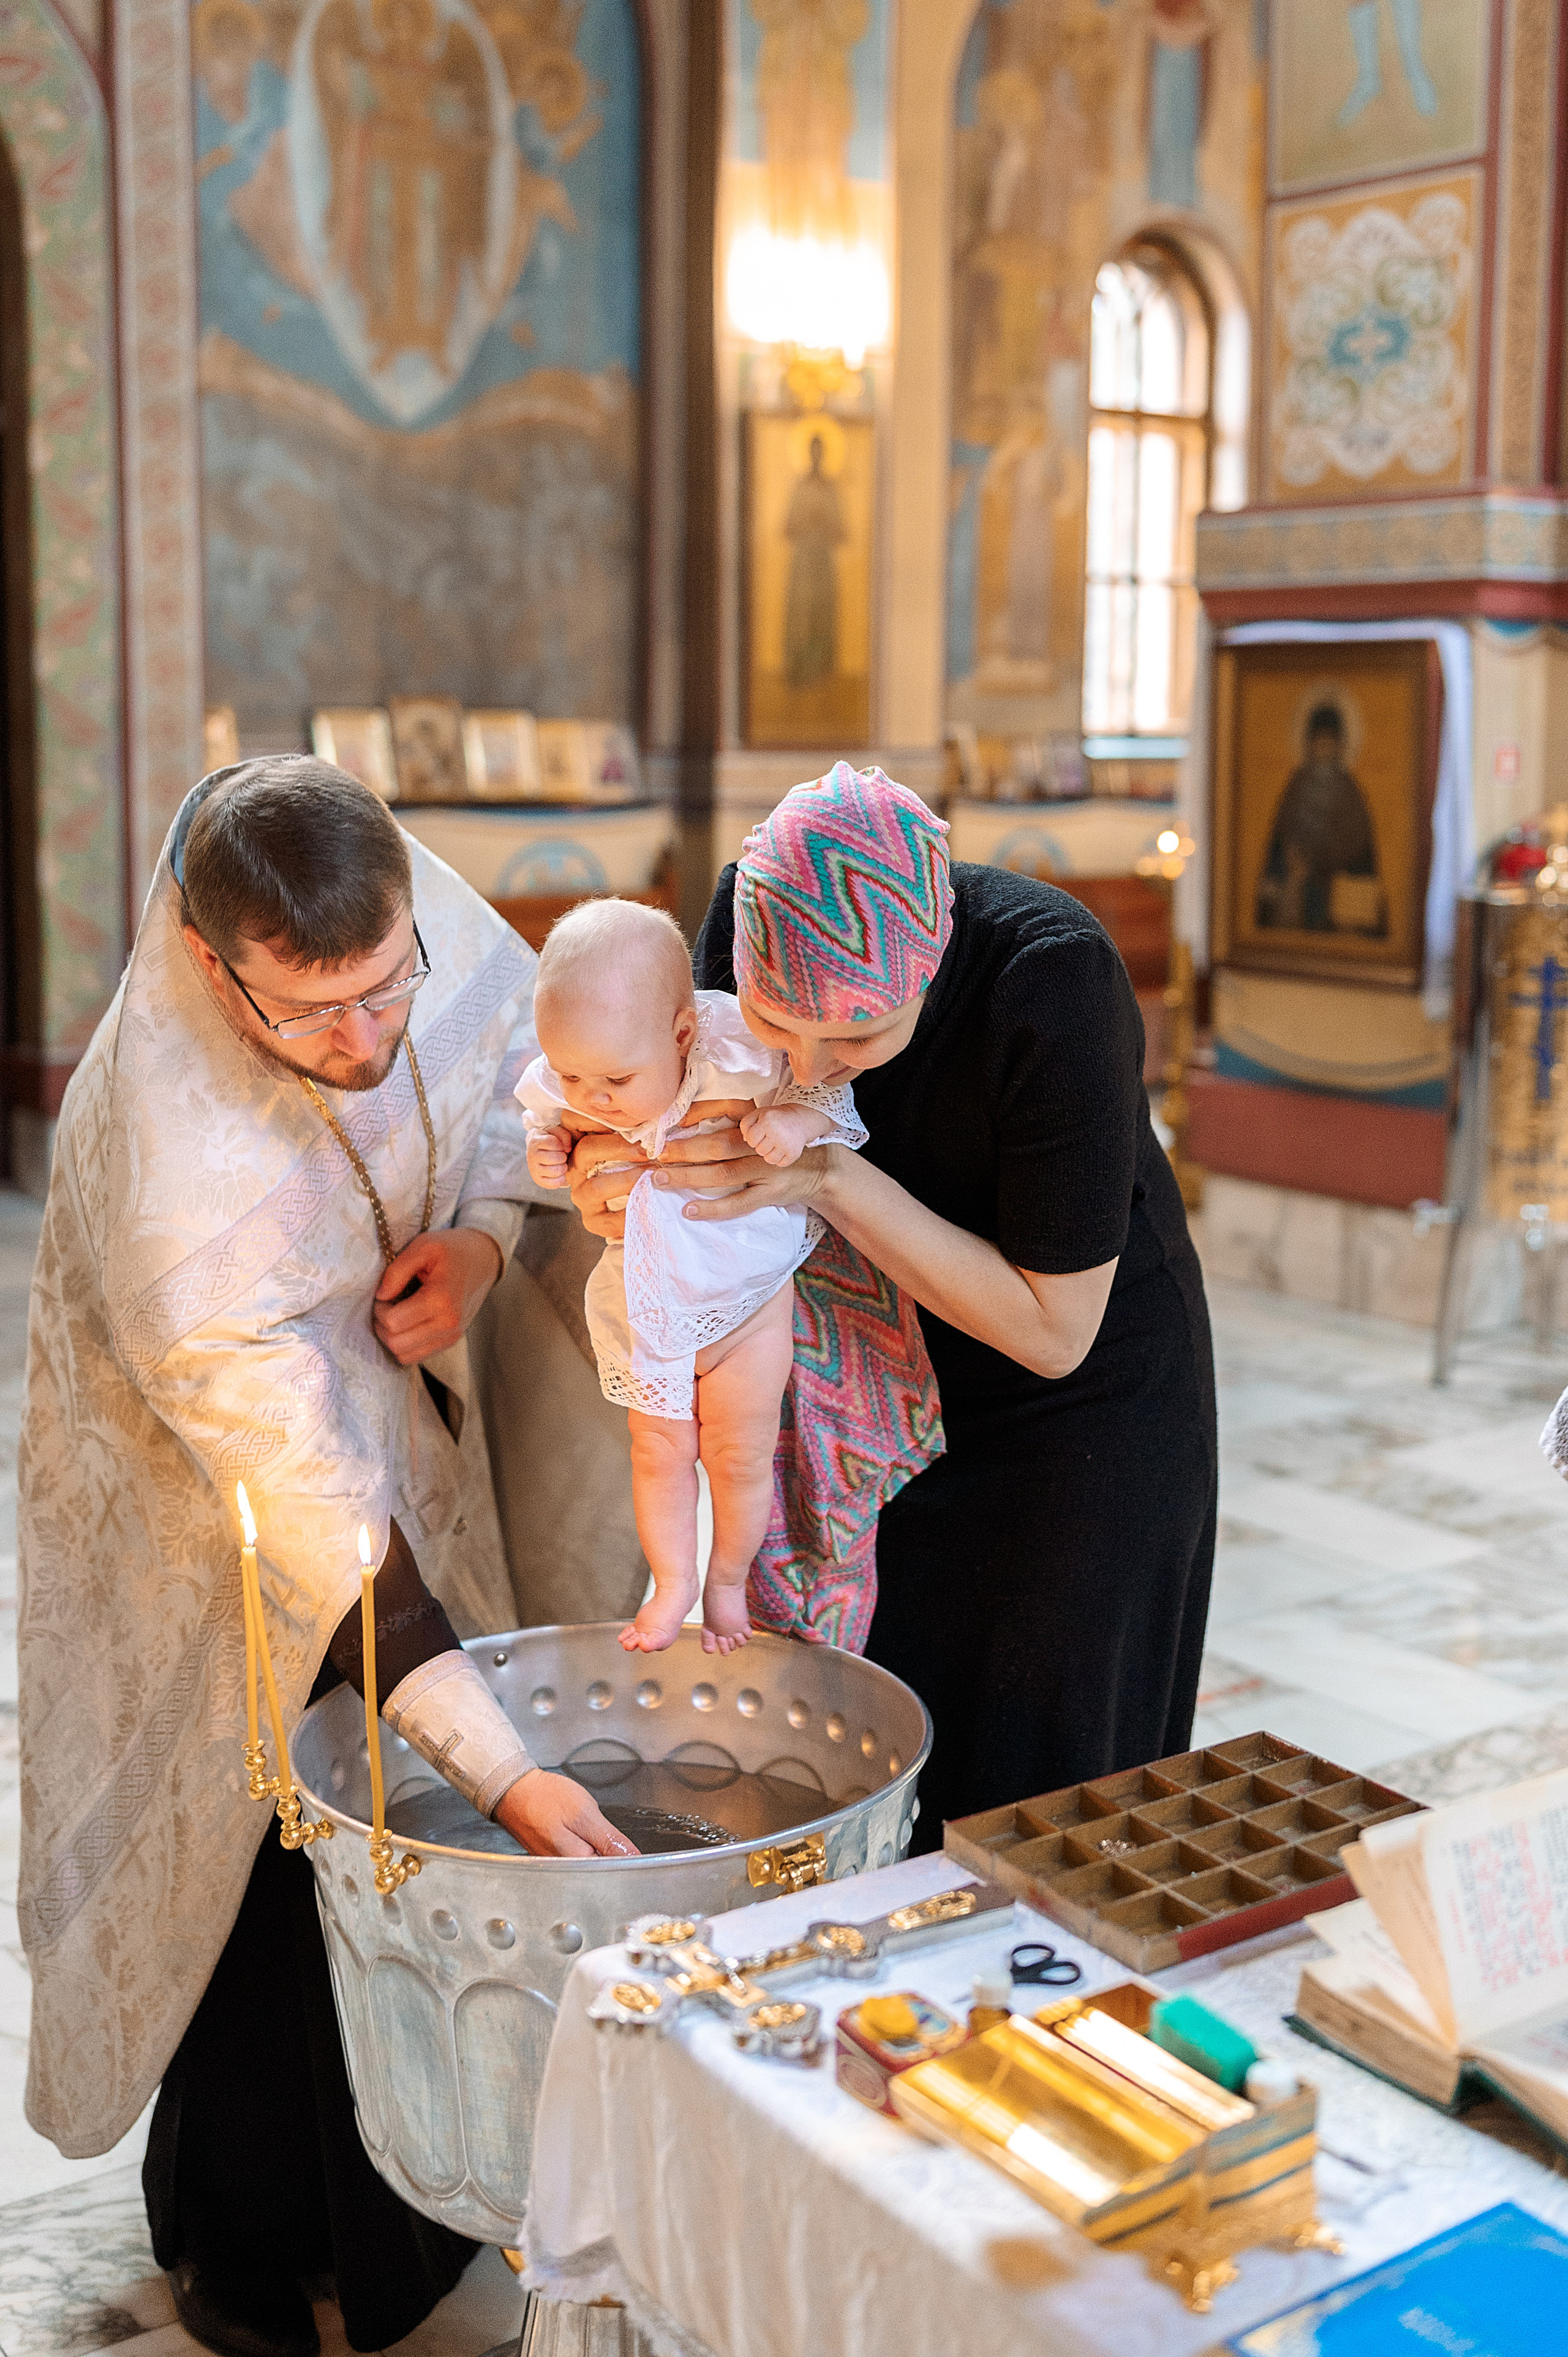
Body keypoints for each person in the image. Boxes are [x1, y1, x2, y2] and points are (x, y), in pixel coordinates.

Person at [17, 756, 630, 2357]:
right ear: (215, 966)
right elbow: (310, 1523)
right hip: (204, 1516)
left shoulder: (405, 912)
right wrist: (509, 1772)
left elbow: (513, 1085)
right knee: (256, 1865)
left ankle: (407, 2233)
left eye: (386, 992)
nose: (367, 1041)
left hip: (396, 1423)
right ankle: (249, 2248)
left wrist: (486, 1243)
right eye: (316, 1016)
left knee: (388, 1852)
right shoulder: (169, 1166)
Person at [564, 761, 1217, 1841]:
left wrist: (828, 1173)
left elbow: (1056, 1331)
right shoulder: (746, 910)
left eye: (859, 1040)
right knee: (868, 1785)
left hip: (1070, 1426)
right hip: (863, 1402)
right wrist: (625, 1186)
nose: (811, 1066)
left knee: (1033, 1817)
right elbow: (676, 1119)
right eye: (778, 1025)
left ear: (933, 962)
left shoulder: (1050, 979)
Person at [518, 898, 864, 1653]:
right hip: (648, 1307)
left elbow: (824, 1091)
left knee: (739, 1453)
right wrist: (547, 1148)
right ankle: (673, 1581)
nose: (592, 1096)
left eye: (613, 1076)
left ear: (680, 1033)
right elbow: (546, 1122)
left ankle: (727, 1582)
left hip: (747, 1300)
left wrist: (795, 1125)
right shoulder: (576, 1073)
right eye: (571, 1074)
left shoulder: (735, 1050)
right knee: (658, 1452)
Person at [1255, 701, 1384, 935]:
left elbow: (1364, 855)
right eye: (1318, 743)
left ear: (1341, 746)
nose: (1324, 750)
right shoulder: (1294, 789)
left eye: (1330, 743)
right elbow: (1278, 845)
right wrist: (1291, 873)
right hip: (1297, 896)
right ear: (1308, 745)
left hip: (1345, 901)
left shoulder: (1351, 793)